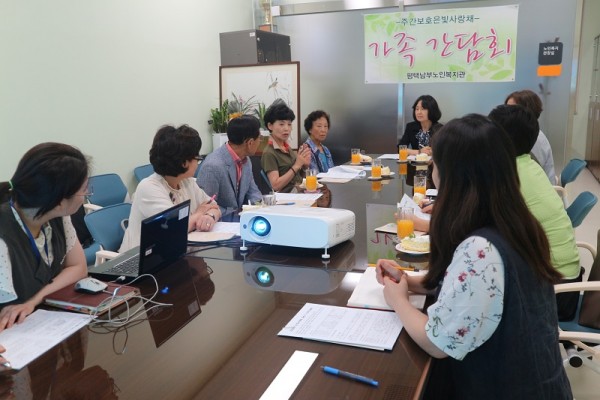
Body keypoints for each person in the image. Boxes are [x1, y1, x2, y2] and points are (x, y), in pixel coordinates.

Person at [376, 115, 572, 399]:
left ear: (454, 176)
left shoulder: (482, 250)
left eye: (435, 166)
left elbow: (437, 343)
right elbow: (475, 293)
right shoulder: (515, 221)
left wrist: (398, 301)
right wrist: (411, 282)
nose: (433, 173)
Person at [489, 104, 581, 320]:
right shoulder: (527, 163)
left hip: (553, 291)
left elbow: (474, 226)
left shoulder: (509, 175)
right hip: (564, 280)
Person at [0, 143, 89, 330]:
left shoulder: (56, 215)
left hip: (42, 322)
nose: (86, 195)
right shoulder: (3, 236)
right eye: (84, 189)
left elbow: (78, 267)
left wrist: (33, 301)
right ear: (59, 201)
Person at [119, 125, 221, 252]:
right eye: (197, 158)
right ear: (184, 163)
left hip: (175, 250)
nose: (198, 163)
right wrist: (200, 213)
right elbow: (174, 229)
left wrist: (209, 216)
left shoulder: (187, 182)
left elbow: (214, 206)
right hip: (141, 257)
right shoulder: (148, 188)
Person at [197, 115, 263, 219]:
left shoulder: (246, 160)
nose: (260, 141)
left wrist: (262, 208)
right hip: (219, 223)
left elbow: (253, 192)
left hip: (240, 221)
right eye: (259, 138)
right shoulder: (213, 166)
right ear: (250, 143)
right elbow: (205, 206)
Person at [505, 89, 556, 183]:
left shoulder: (532, 139)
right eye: (505, 109)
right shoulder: (527, 133)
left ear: (527, 113)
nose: (505, 114)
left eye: (512, 111)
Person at [261, 101, 311, 192]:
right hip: (288, 197)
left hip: (300, 192)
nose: (286, 128)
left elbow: (299, 179)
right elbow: (275, 185)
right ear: (270, 126)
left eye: (289, 124)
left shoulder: (287, 148)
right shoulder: (269, 152)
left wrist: (304, 166)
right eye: (281, 124)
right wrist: (297, 165)